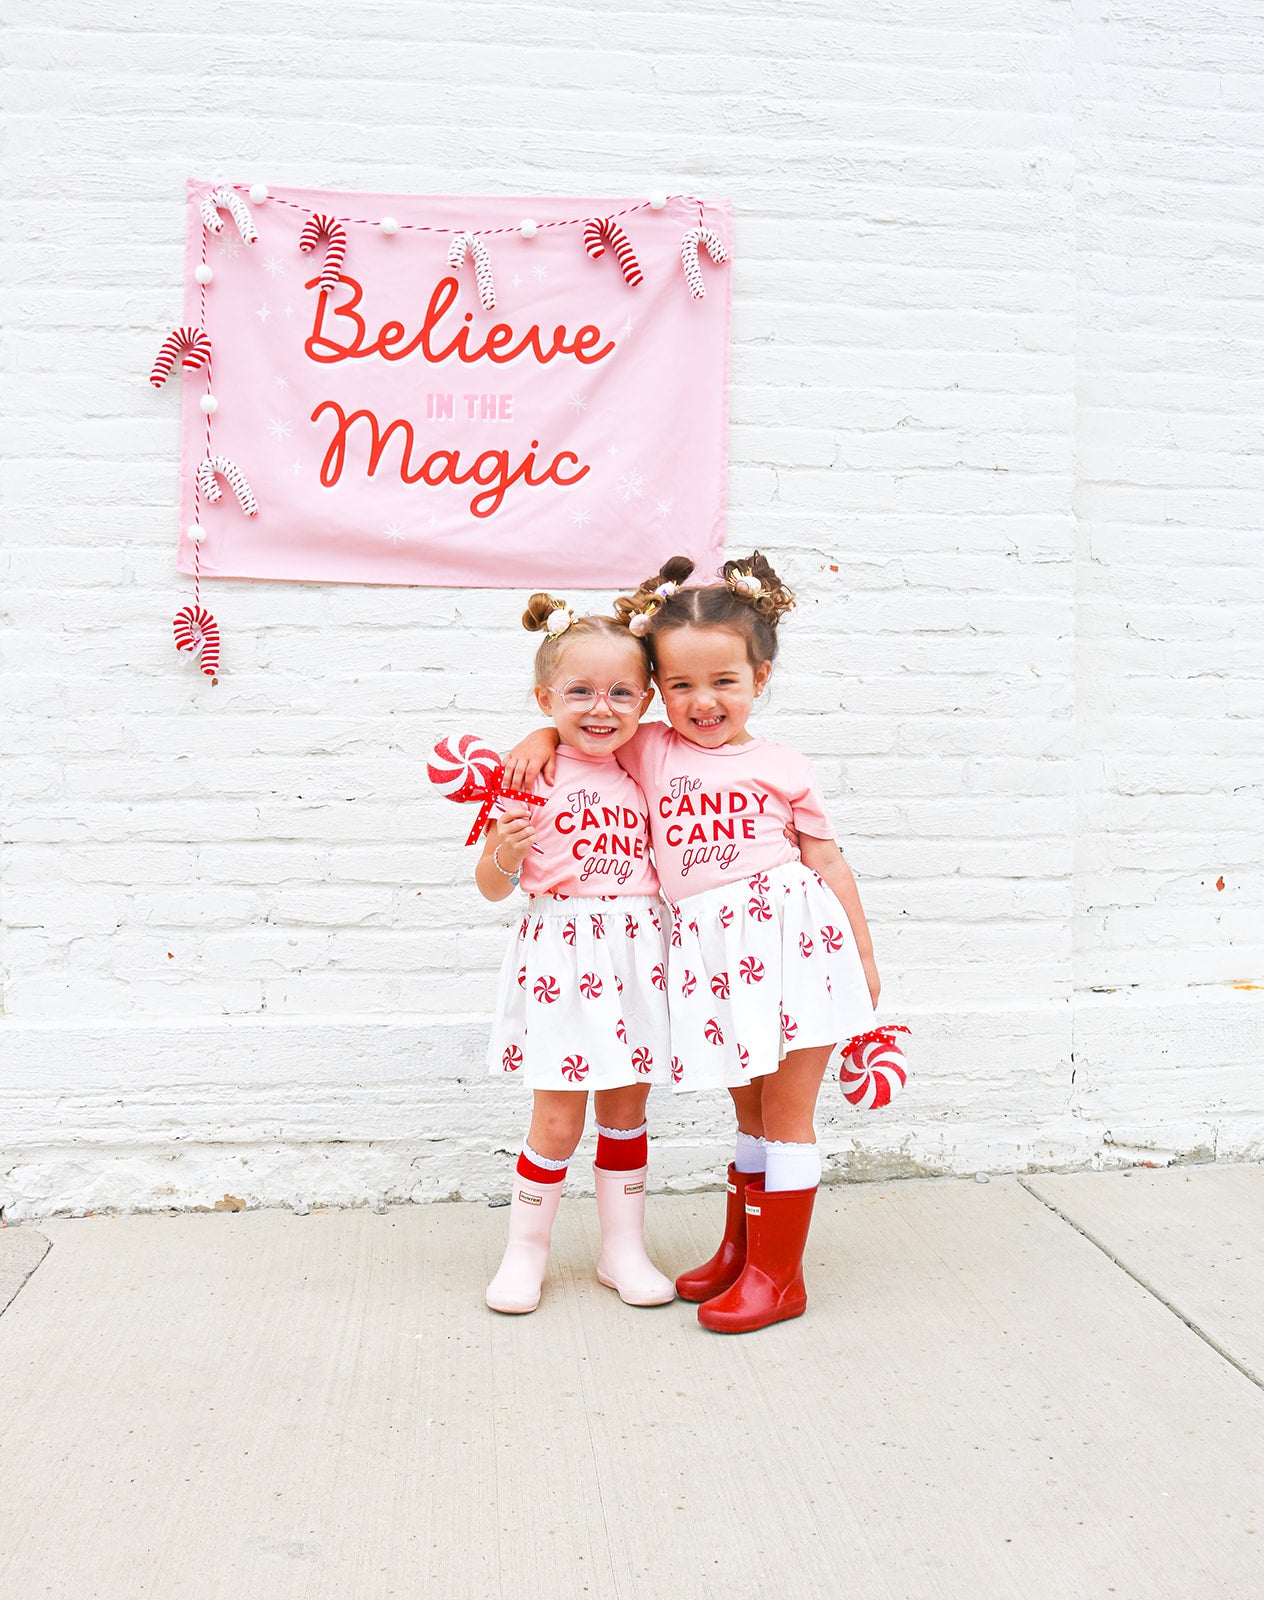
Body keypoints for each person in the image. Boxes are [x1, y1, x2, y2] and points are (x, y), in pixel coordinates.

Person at [504, 553, 880, 1333]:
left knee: (786, 1113)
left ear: (761, 678)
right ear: (657, 691)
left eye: (723, 683)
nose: (702, 701)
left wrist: (864, 957)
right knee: (747, 1108)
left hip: (796, 947)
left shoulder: (783, 767)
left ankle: (780, 1279)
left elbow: (828, 863)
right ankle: (743, 1256)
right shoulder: (648, 748)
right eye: (679, 686)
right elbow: (590, 728)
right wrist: (543, 729)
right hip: (717, 961)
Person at [478, 592, 675, 1315]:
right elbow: (492, 888)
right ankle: (525, 1252)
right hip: (563, 953)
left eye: (622, 692)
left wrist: (544, 728)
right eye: (579, 692)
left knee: (626, 1109)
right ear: (545, 696)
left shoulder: (644, 762)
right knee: (557, 1118)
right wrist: (504, 853)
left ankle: (622, 1250)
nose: (602, 707)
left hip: (636, 955)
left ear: (647, 699)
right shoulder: (532, 775)